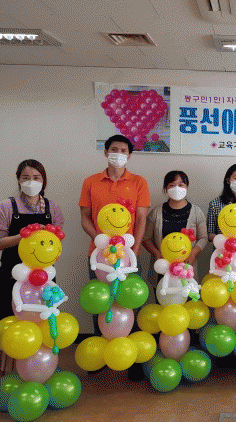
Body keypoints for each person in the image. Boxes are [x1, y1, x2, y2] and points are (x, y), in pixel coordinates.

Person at [79, 135, 150, 380]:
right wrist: (101, 241)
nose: (118, 154)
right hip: (98, 255)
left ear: (129, 155)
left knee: (131, 301)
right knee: (99, 301)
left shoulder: (139, 182)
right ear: (106, 152)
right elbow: (85, 217)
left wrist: (135, 248)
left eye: (123, 150)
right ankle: (99, 354)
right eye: (113, 149)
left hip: (128, 255)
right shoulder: (91, 182)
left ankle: (133, 358)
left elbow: (141, 218)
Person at [0, 159, 64, 375]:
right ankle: (8, 372)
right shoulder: (7, 206)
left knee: (42, 318)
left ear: (44, 180)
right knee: (8, 318)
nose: (31, 182)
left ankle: (40, 370)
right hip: (13, 274)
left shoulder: (52, 208)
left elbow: (57, 243)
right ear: (18, 179)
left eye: (36, 177)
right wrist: (23, 236)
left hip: (42, 278)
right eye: (26, 177)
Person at [143, 170, 207, 283]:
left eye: (181, 185)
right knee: (162, 292)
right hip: (162, 268)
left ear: (187, 187)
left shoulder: (196, 212)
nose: (176, 188)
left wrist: (193, 253)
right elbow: (145, 238)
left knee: (187, 293)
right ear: (166, 188)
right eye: (172, 185)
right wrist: (156, 253)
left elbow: (203, 237)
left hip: (186, 268)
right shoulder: (156, 212)